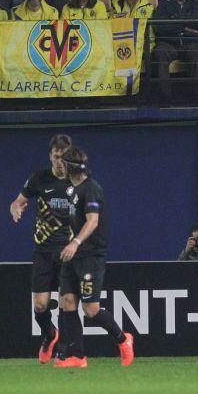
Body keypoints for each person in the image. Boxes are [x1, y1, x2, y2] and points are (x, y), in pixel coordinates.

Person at [55, 146, 135, 368]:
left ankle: (123, 338)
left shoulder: (91, 189)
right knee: (68, 301)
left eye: (63, 162)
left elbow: (93, 221)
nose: (60, 165)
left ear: (71, 166)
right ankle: (77, 356)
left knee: (90, 309)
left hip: (90, 255)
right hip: (72, 256)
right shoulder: (71, 190)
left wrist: (75, 242)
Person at [9, 134, 73, 364]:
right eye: (56, 157)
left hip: (68, 252)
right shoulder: (39, 179)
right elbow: (18, 201)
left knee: (67, 302)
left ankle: (64, 351)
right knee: (40, 305)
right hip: (43, 251)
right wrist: (16, 208)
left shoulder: (78, 182)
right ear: (50, 156)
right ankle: (50, 335)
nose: (60, 162)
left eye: (64, 157)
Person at [151, 0, 198, 100]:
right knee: (160, 52)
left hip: (190, 41)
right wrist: (185, 27)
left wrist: (174, 19)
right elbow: (160, 27)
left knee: (196, 52)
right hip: (169, 42)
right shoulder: (164, 3)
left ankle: (196, 95)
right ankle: (165, 96)